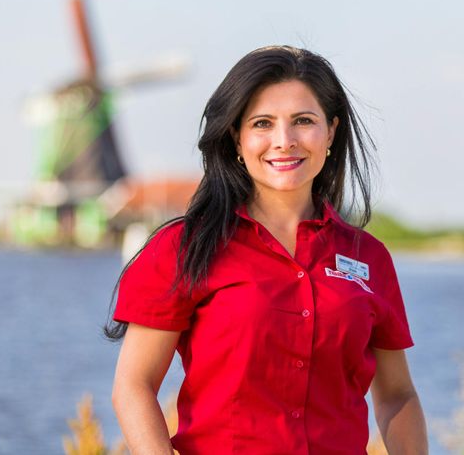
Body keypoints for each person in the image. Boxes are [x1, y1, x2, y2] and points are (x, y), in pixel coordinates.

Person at [106, 45, 427, 454]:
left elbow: (398, 395)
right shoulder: (184, 249)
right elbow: (133, 387)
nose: (284, 140)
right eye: (262, 123)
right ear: (236, 137)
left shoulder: (370, 258)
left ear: (330, 131)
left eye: (303, 121)